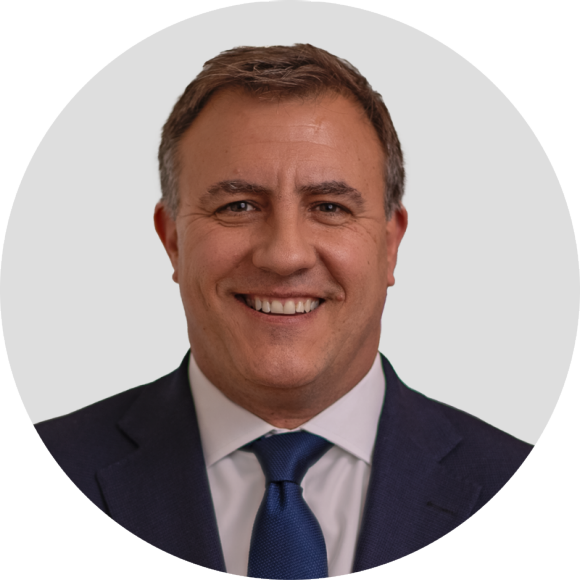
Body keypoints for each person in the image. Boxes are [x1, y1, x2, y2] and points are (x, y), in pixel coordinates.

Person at [34, 44, 532, 578]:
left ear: (390, 245)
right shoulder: (34, 476)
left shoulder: (529, 489)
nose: (285, 255)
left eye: (329, 207)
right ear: (173, 240)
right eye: (238, 206)